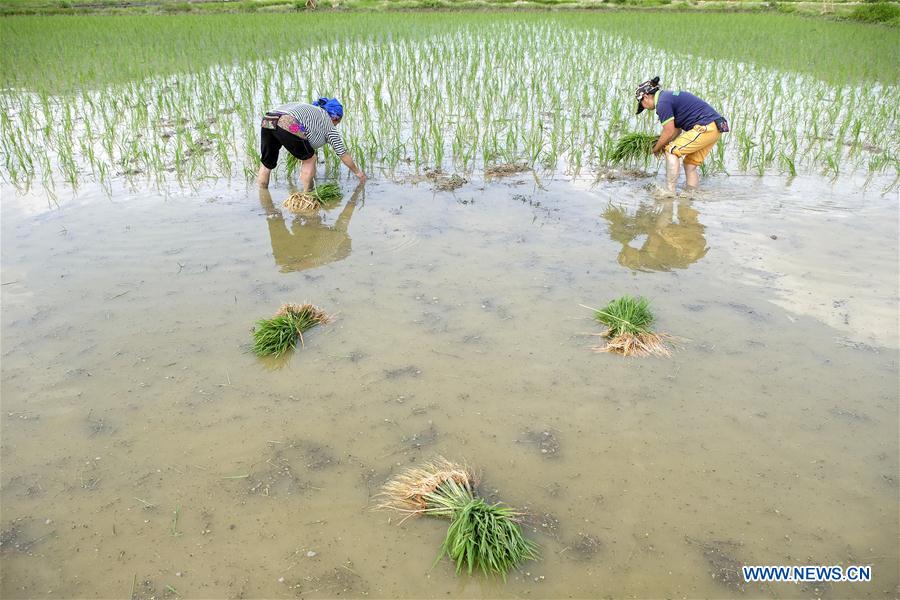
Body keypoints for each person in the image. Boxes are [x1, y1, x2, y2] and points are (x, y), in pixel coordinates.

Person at [635, 76, 728, 193]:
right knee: (689, 164)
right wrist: (660, 142)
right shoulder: (668, 97)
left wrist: (656, 149)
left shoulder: (662, 103)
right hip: (716, 127)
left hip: (705, 127)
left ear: (646, 97)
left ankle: (669, 192)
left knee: (671, 151)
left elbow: (668, 132)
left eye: (642, 104)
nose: (644, 107)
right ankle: (691, 195)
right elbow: (676, 131)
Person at [257, 97, 366, 189]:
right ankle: (307, 196)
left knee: (267, 163)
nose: (336, 125)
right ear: (335, 117)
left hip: (268, 119)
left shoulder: (315, 113)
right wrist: (358, 173)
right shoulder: (329, 124)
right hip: (288, 122)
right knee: (310, 159)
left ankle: (263, 195)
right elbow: (343, 153)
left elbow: (302, 137)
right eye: (338, 122)